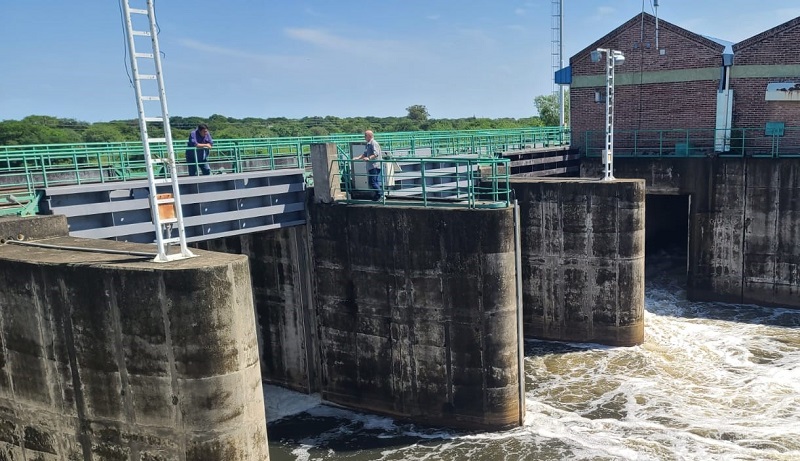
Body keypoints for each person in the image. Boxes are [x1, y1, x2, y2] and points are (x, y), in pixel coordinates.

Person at [358, 130, 383, 200]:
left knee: (372, 182)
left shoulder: (373, 143)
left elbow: (376, 154)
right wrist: (358, 158)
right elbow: (365, 153)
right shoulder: (368, 144)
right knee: (375, 181)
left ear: (369, 136)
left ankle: (380, 194)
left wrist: (369, 158)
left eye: (365, 135)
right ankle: (378, 196)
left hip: (374, 166)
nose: (364, 137)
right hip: (372, 166)